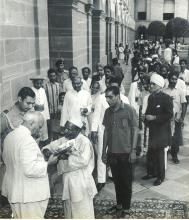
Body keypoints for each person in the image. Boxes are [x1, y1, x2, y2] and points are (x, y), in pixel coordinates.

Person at [1, 112, 57, 219]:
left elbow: (9, 160)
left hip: (14, 191)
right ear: (31, 123)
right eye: (39, 126)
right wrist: (48, 163)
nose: (40, 130)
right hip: (29, 195)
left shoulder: (9, 136)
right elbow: (30, 170)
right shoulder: (27, 140)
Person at [42, 118, 97, 219]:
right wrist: (47, 151)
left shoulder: (84, 141)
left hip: (81, 180)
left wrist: (66, 157)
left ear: (77, 130)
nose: (65, 131)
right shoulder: (64, 139)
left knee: (81, 209)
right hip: (67, 178)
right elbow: (48, 147)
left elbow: (84, 161)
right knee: (68, 207)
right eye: (65, 128)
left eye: (69, 129)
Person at [102, 86, 138, 218]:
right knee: (117, 181)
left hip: (126, 153)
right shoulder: (107, 112)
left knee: (126, 181)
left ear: (118, 96)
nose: (107, 100)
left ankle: (126, 209)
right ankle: (119, 205)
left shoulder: (129, 110)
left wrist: (133, 151)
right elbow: (106, 132)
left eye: (110, 97)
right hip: (112, 153)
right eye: (106, 97)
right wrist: (103, 152)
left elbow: (135, 131)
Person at [0, 87, 36, 207]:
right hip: (10, 164)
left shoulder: (27, 114)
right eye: (28, 103)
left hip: (24, 163)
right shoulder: (6, 116)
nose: (30, 106)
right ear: (19, 99)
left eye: (32, 103)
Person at [142, 73, 173, 186]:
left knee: (160, 154)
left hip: (162, 132)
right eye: (150, 84)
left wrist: (155, 118)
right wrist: (145, 118)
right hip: (152, 131)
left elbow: (169, 115)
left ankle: (160, 176)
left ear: (159, 86)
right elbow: (148, 112)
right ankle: (151, 173)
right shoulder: (151, 97)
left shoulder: (166, 98)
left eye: (153, 84)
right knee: (151, 153)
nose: (150, 86)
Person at [163, 71, 187, 164]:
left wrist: (182, 117)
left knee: (176, 138)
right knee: (166, 136)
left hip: (176, 117)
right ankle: (165, 153)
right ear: (169, 79)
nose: (174, 81)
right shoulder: (164, 90)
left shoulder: (180, 91)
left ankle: (174, 155)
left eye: (175, 79)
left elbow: (184, 104)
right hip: (166, 118)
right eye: (172, 79)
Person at [30, 76, 50, 146]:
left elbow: (45, 103)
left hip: (43, 114)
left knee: (43, 132)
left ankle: (43, 145)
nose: (38, 85)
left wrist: (47, 116)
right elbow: (30, 103)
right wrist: (35, 107)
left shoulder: (42, 90)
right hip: (35, 114)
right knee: (36, 132)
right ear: (33, 83)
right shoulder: (31, 90)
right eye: (37, 83)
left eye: (40, 83)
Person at [45, 68, 60, 140]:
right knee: (50, 126)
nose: (53, 77)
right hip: (49, 110)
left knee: (57, 125)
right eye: (51, 76)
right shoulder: (46, 86)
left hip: (57, 109)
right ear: (48, 76)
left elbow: (61, 96)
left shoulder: (58, 85)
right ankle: (50, 140)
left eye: (54, 76)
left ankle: (56, 139)